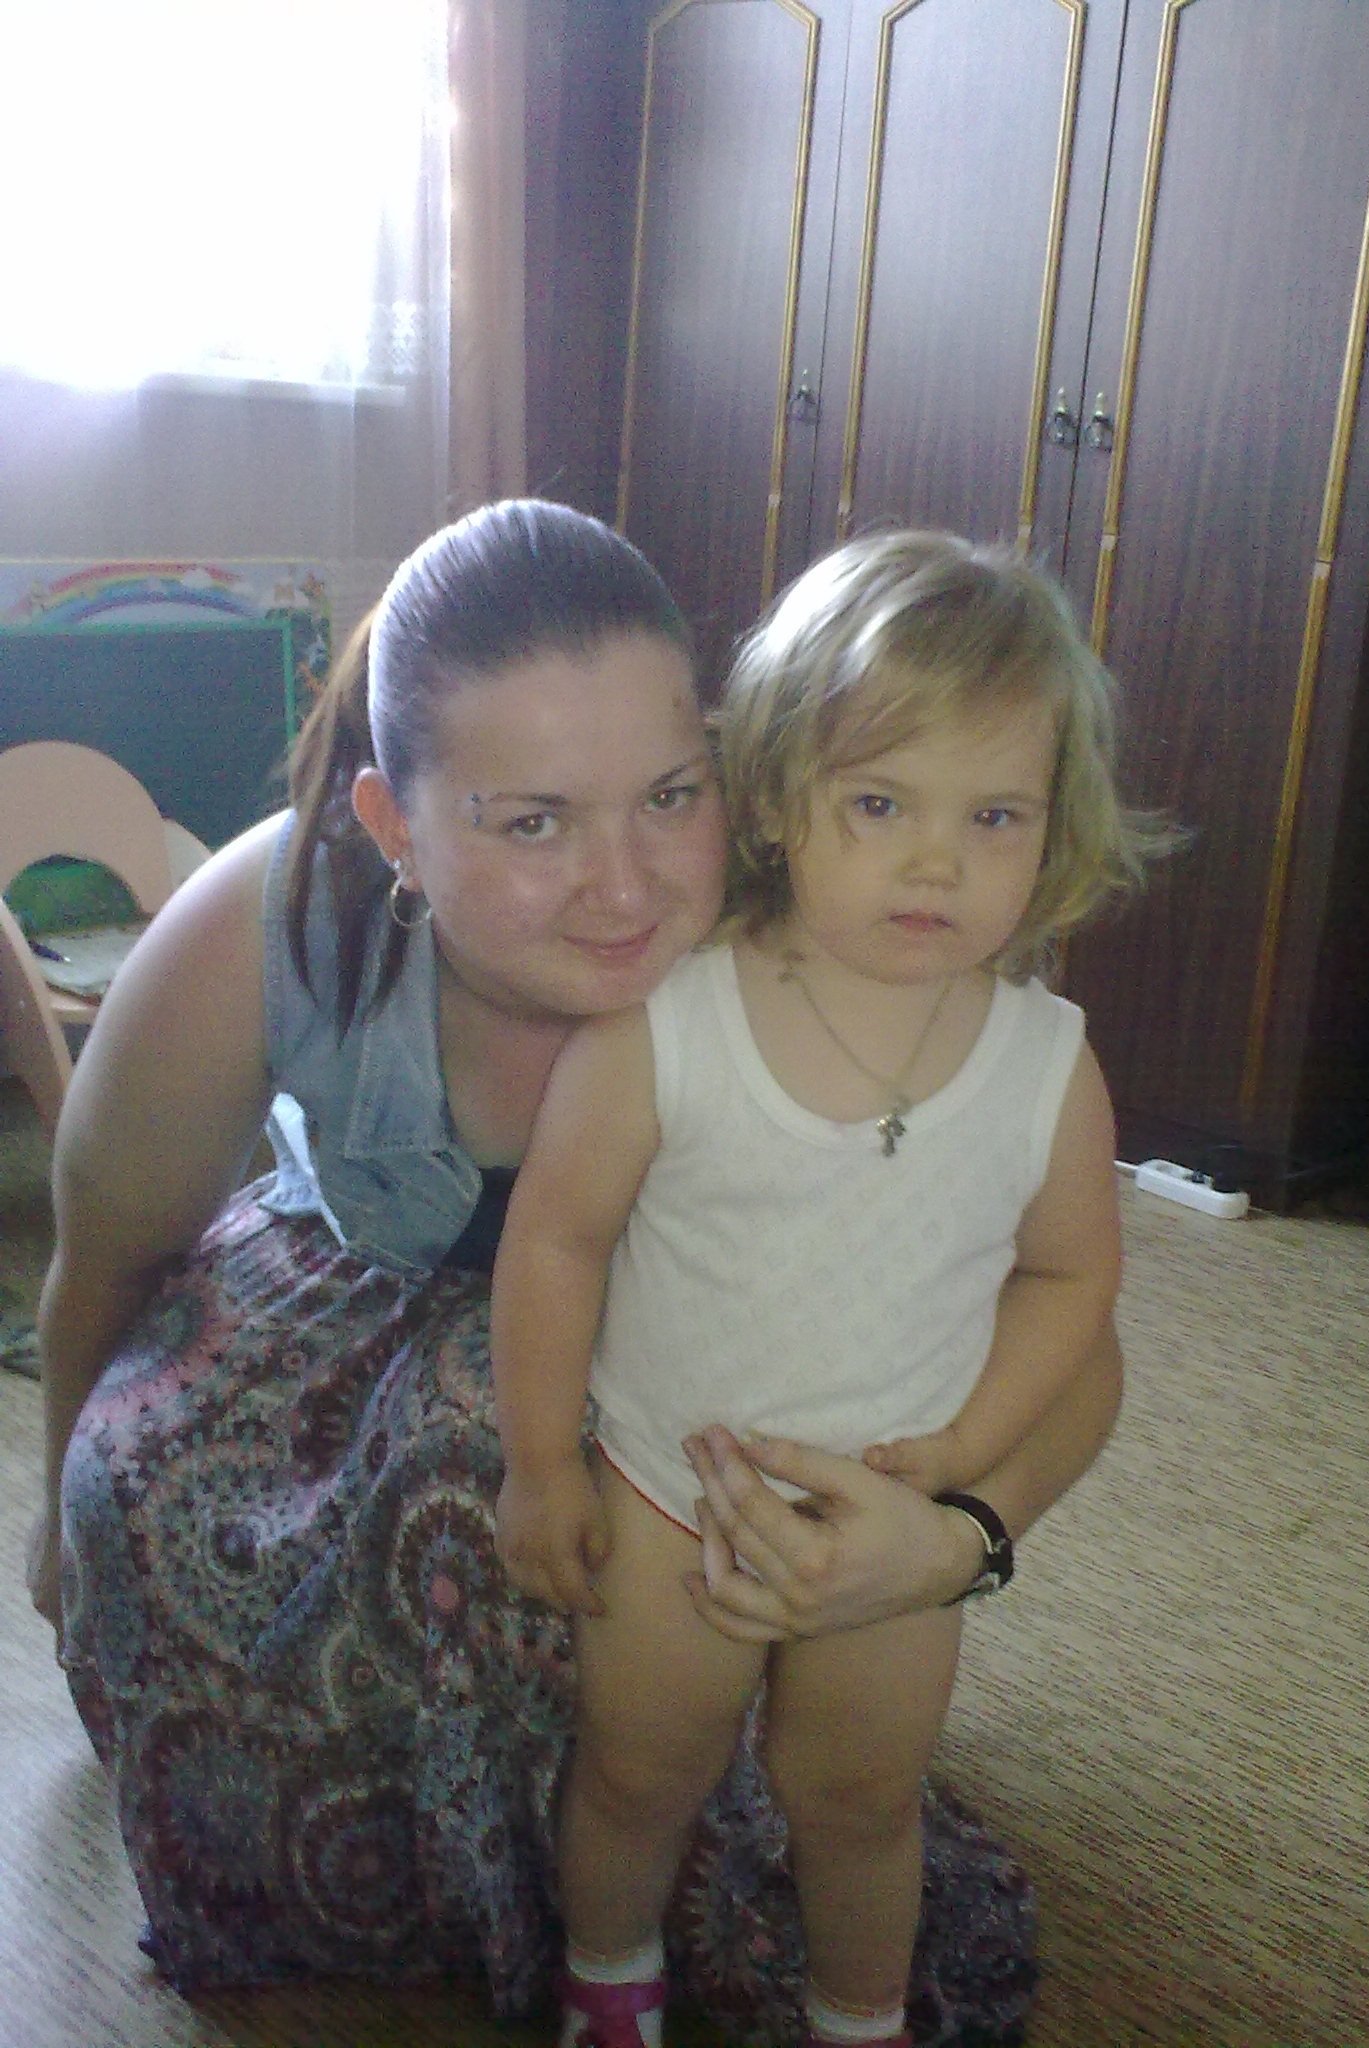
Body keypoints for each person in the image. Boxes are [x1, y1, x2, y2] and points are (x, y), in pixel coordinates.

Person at [26, 499, 1125, 2042]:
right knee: (303, 1479)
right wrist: (57, 1523)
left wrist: (951, 1543)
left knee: (736, 1669)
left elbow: (1063, 1323)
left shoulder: (862, 932)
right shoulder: (269, 927)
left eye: (669, 795)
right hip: (366, 1312)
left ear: (735, 772)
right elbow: (105, 1255)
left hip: (700, 1395)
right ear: (396, 827)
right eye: (530, 822)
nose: (623, 889)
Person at [491, 530, 1158, 2048]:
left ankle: (859, 2017)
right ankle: (610, 1982)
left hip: (890, 1522)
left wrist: (964, 1459)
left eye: (995, 816)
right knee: (639, 1773)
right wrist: (541, 1463)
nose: (938, 861)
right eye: (881, 803)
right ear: (783, 795)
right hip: (670, 1497)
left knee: (862, 1800)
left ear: (1053, 828)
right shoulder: (673, 1019)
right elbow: (557, 1241)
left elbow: (1073, 1278)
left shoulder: (1048, 1064)